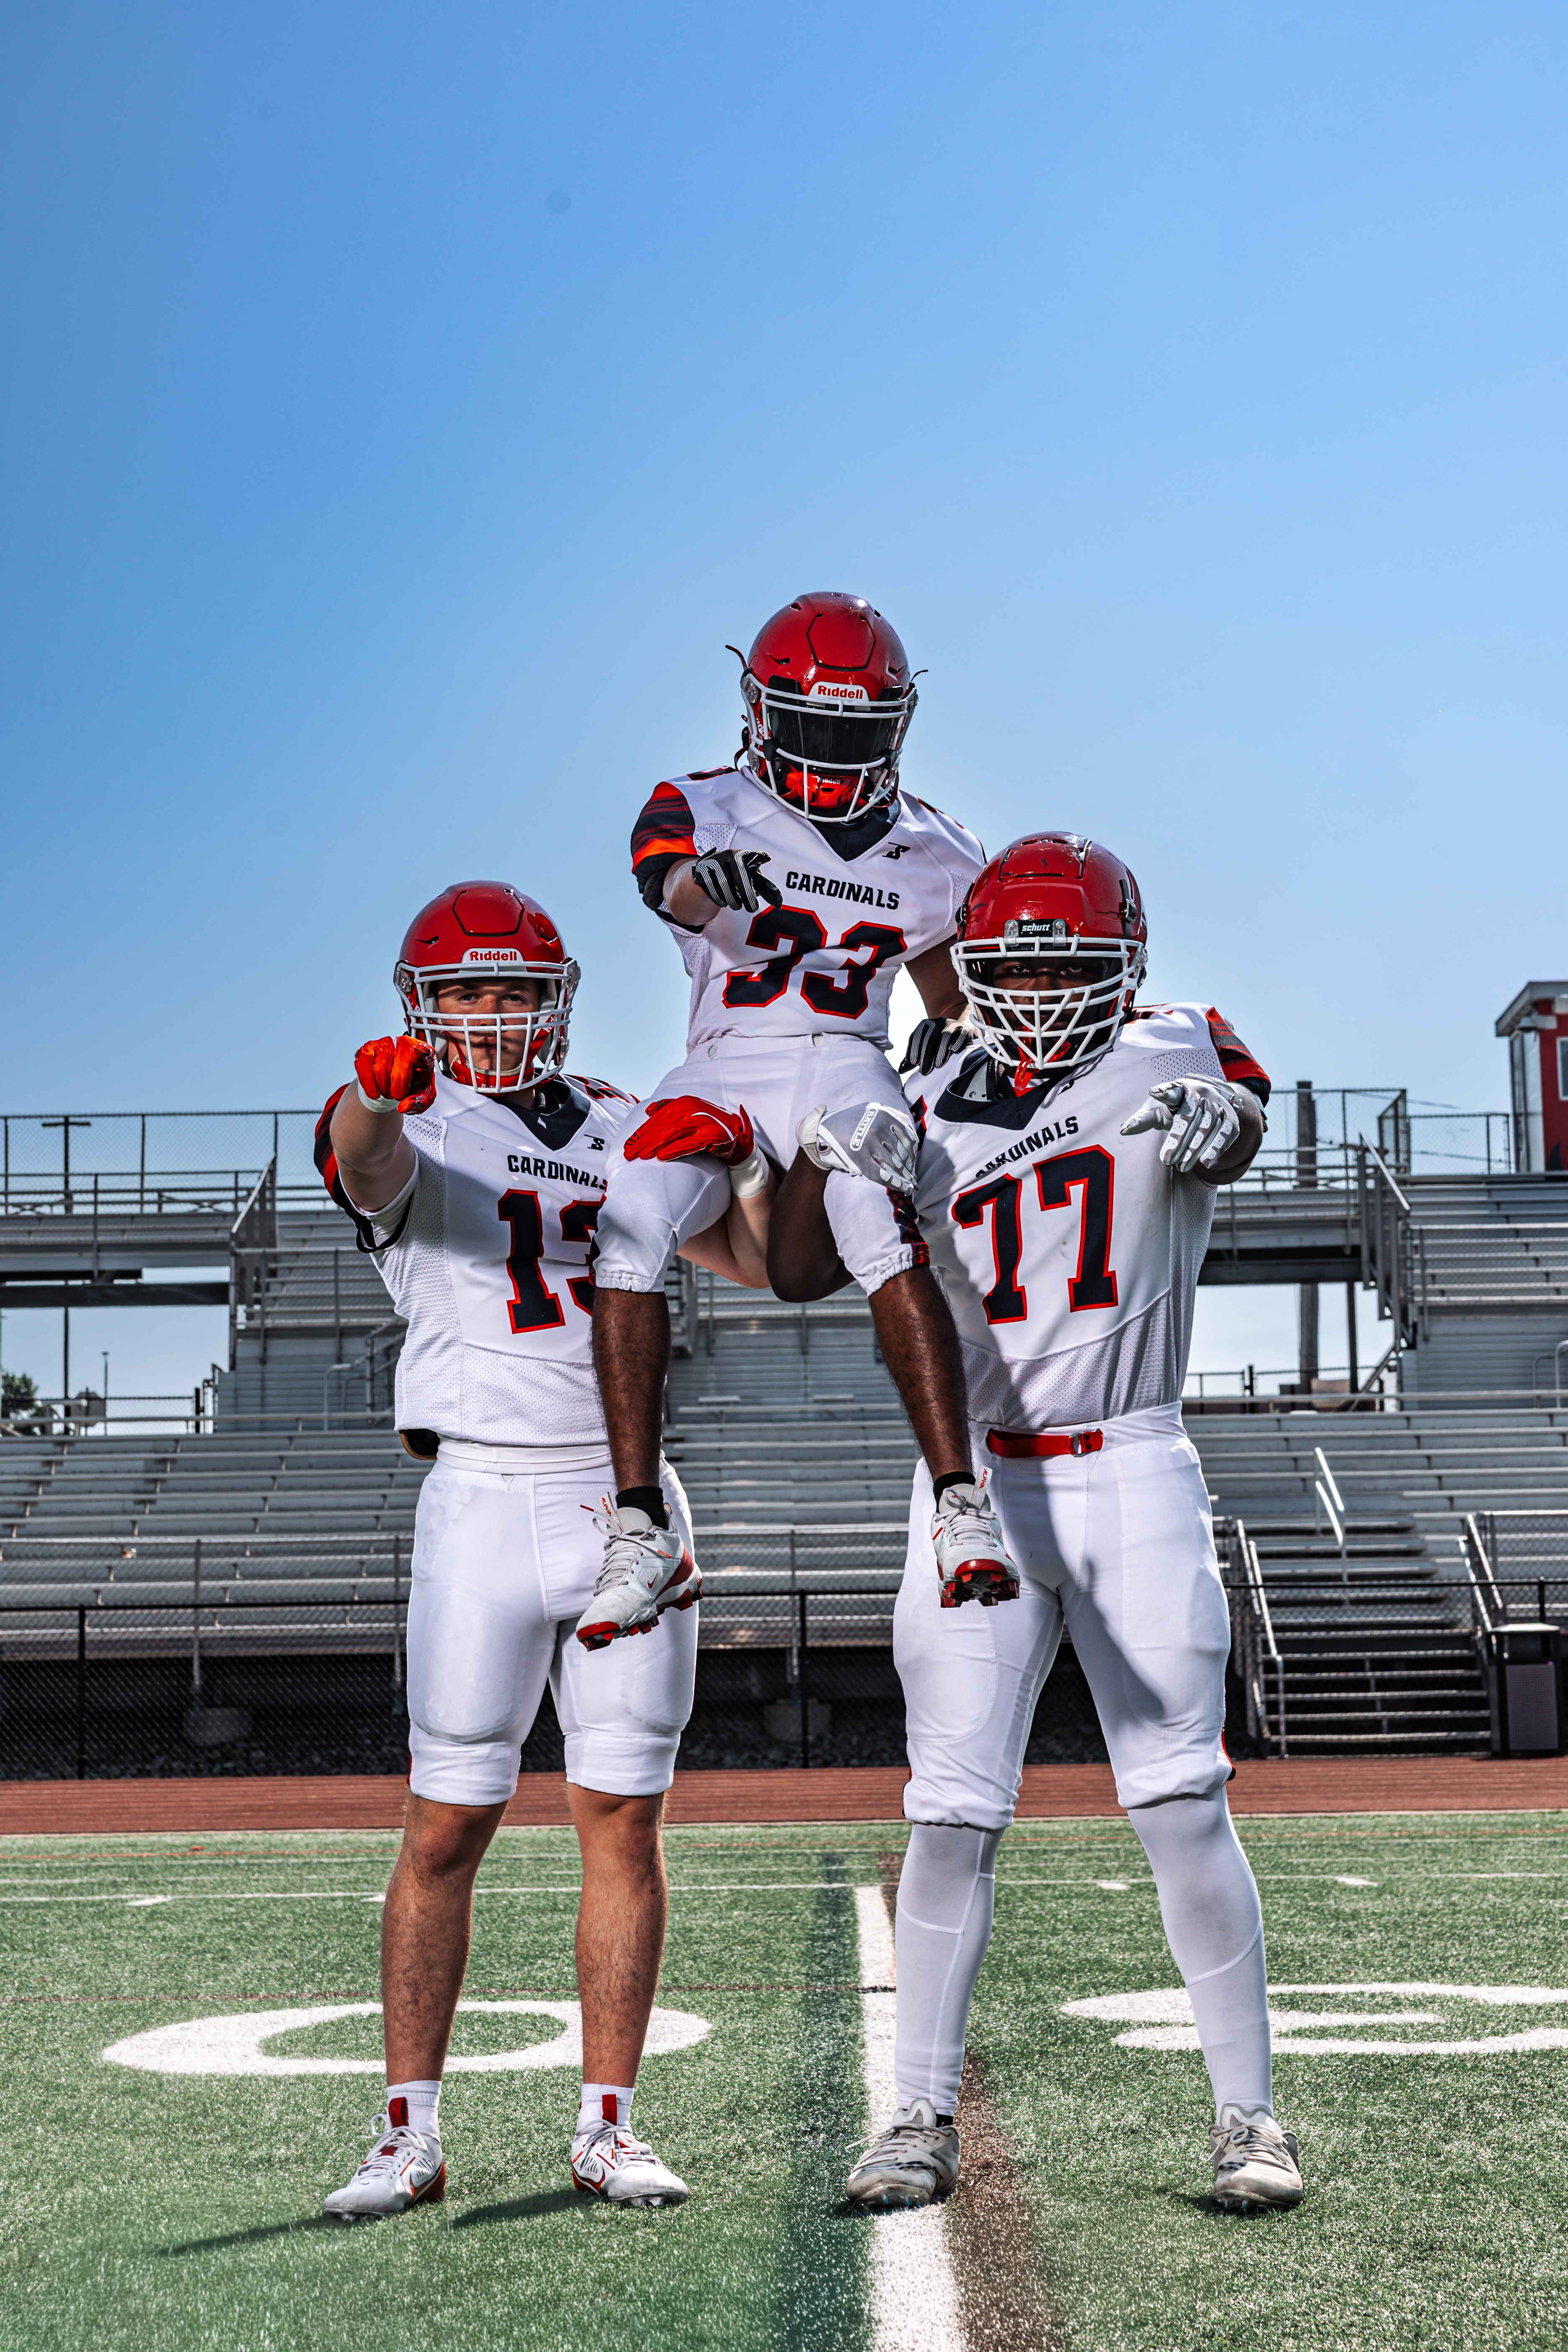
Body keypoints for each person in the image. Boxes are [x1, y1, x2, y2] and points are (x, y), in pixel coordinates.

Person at [770, 831, 1302, 2216]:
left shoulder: (1179, 1044)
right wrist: (825, 1155)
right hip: (977, 1481)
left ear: (1126, 965)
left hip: (1132, 1458)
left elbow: (1241, 1109)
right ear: (976, 968)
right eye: (1015, 967)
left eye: (1071, 967)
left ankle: (1247, 2116)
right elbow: (798, 1266)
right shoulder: (916, 1085)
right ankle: (916, 2112)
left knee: (1181, 1797)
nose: (1043, 991)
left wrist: (1233, 1123)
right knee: (949, 1810)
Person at [314, 880, 774, 2218]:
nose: (490, 1013)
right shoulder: (405, 1107)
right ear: (420, 1005)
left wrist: (743, 1163)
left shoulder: (625, 1121)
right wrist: (377, 1097)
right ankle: (406, 2131)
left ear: (555, 999)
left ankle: (607, 2126)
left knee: (622, 1816)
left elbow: (752, 1261)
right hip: (480, 1495)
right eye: (464, 991)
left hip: (620, 1496)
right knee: (446, 1821)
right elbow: (362, 1161)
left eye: (512, 989)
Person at [591, 590, 1015, 1608]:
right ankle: (641, 1526)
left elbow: (950, 997)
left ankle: (961, 1505)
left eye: (852, 727)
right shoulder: (701, 802)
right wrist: (708, 881)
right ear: (759, 711)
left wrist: (958, 1033)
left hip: (848, 1054)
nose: (830, 747)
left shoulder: (944, 849)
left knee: (873, 1211)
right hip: (724, 1056)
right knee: (630, 1219)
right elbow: (668, 884)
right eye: (811, 723)